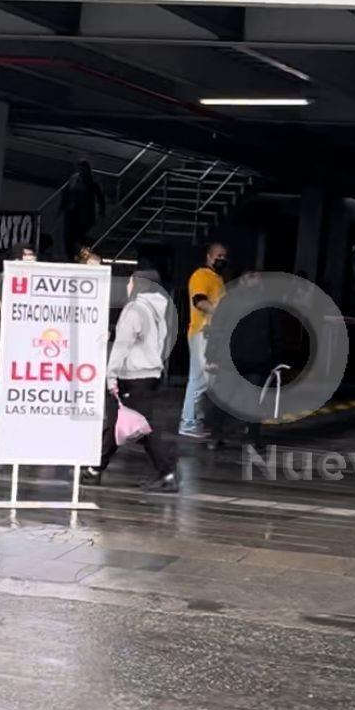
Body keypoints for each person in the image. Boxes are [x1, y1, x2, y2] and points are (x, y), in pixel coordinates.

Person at [85, 269, 179, 492]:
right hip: (149, 373)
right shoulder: (159, 309)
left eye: (130, 281)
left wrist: (111, 374)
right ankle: (94, 469)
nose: (127, 286)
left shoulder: (135, 308)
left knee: (141, 428)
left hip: (134, 375)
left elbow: (123, 345)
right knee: (121, 424)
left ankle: (168, 474)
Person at [203, 270, 283, 451]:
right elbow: (276, 336)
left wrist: (211, 356)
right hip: (258, 361)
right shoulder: (268, 305)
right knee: (253, 401)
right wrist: (276, 360)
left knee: (223, 399)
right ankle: (252, 439)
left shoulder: (228, 301)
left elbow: (217, 330)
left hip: (229, 359)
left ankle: (214, 437)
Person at [179, 243, 228, 438]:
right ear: (209, 256)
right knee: (200, 379)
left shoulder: (218, 278)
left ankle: (194, 420)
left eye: (224, 256)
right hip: (202, 332)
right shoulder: (201, 275)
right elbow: (199, 301)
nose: (222, 259)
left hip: (211, 334)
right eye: (219, 256)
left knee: (205, 380)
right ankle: (188, 422)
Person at [61, 160, 106, 260]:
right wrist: (63, 206)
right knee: (69, 236)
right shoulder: (74, 178)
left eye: (83, 169)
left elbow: (100, 196)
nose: (81, 171)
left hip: (85, 213)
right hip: (72, 211)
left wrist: (102, 210)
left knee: (79, 236)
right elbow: (66, 193)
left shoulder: (93, 180)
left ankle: (80, 255)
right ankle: (71, 256)